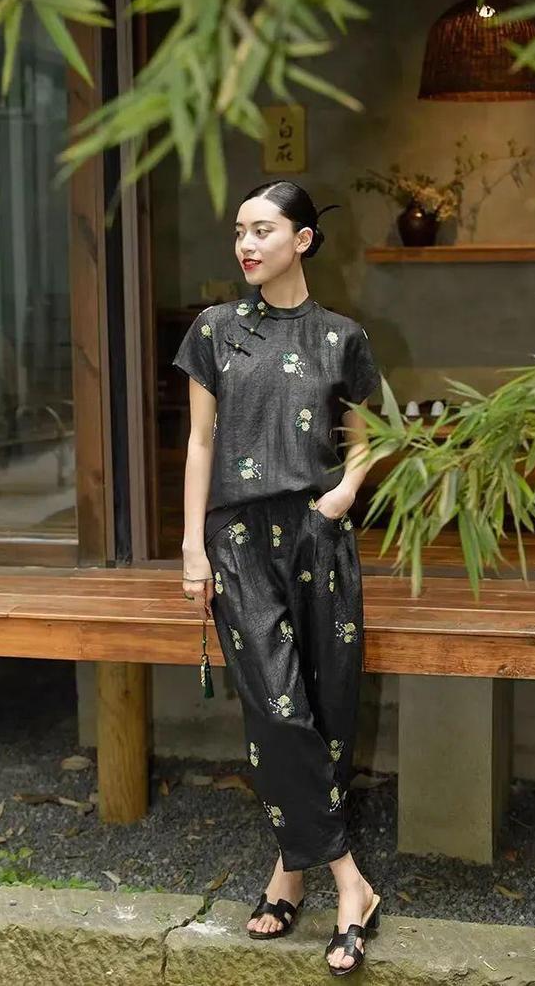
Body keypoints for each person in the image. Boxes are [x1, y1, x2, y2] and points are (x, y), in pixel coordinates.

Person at [172, 179, 382, 976]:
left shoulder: (342, 338)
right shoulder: (215, 330)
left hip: (318, 536)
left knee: (325, 709)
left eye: (262, 230)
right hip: (236, 541)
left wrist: (344, 493)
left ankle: (287, 873)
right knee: (277, 705)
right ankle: (350, 883)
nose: (246, 245)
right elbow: (200, 443)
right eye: (239, 232)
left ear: (303, 240)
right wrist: (191, 547)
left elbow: (367, 435)